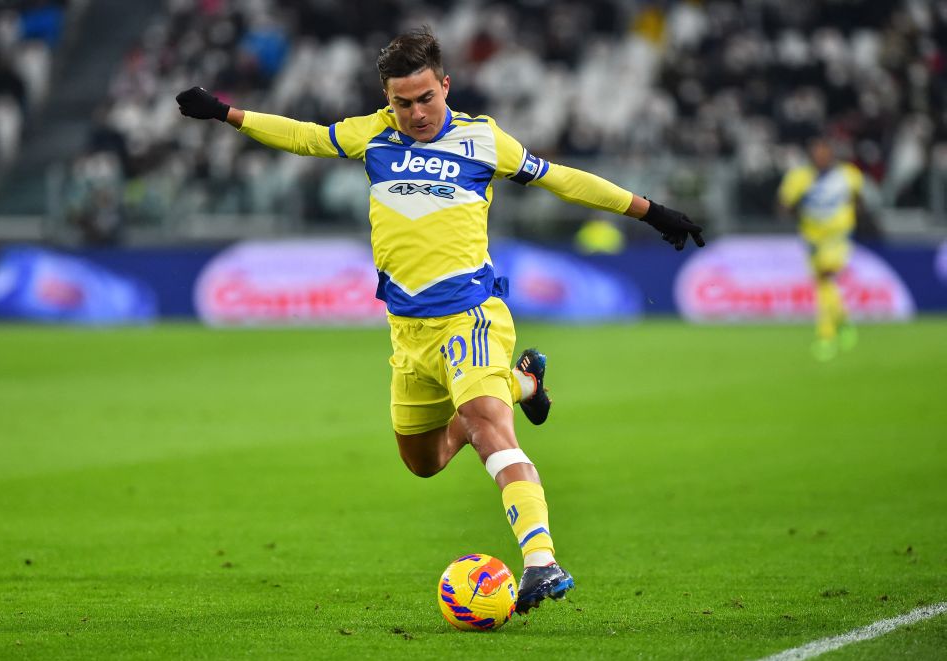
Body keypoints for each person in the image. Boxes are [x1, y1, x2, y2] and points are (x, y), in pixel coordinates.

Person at [176, 26, 704, 615]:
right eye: (402, 103)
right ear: (388, 99)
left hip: (469, 317)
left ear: (445, 86)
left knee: (485, 425)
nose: (417, 113)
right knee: (423, 462)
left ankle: (541, 560)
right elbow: (304, 137)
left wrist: (651, 211)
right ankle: (524, 382)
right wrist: (226, 114)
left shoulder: (483, 141)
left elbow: (562, 179)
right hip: (408, 333)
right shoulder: (373, 134)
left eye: (426, 98)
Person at [778, 136, 863, 361]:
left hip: (837, 237)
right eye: (816, 152)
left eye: (824, 152)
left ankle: (826, 336)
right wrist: (797, 211)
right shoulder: (800, 177)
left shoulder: (848, 174)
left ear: (831, 154)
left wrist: (850, 221)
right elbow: (784, 205)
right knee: (823, 284)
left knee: (825, 278)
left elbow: (858, 200)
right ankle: (843, 320)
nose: (820, 156)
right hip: (812, 238)